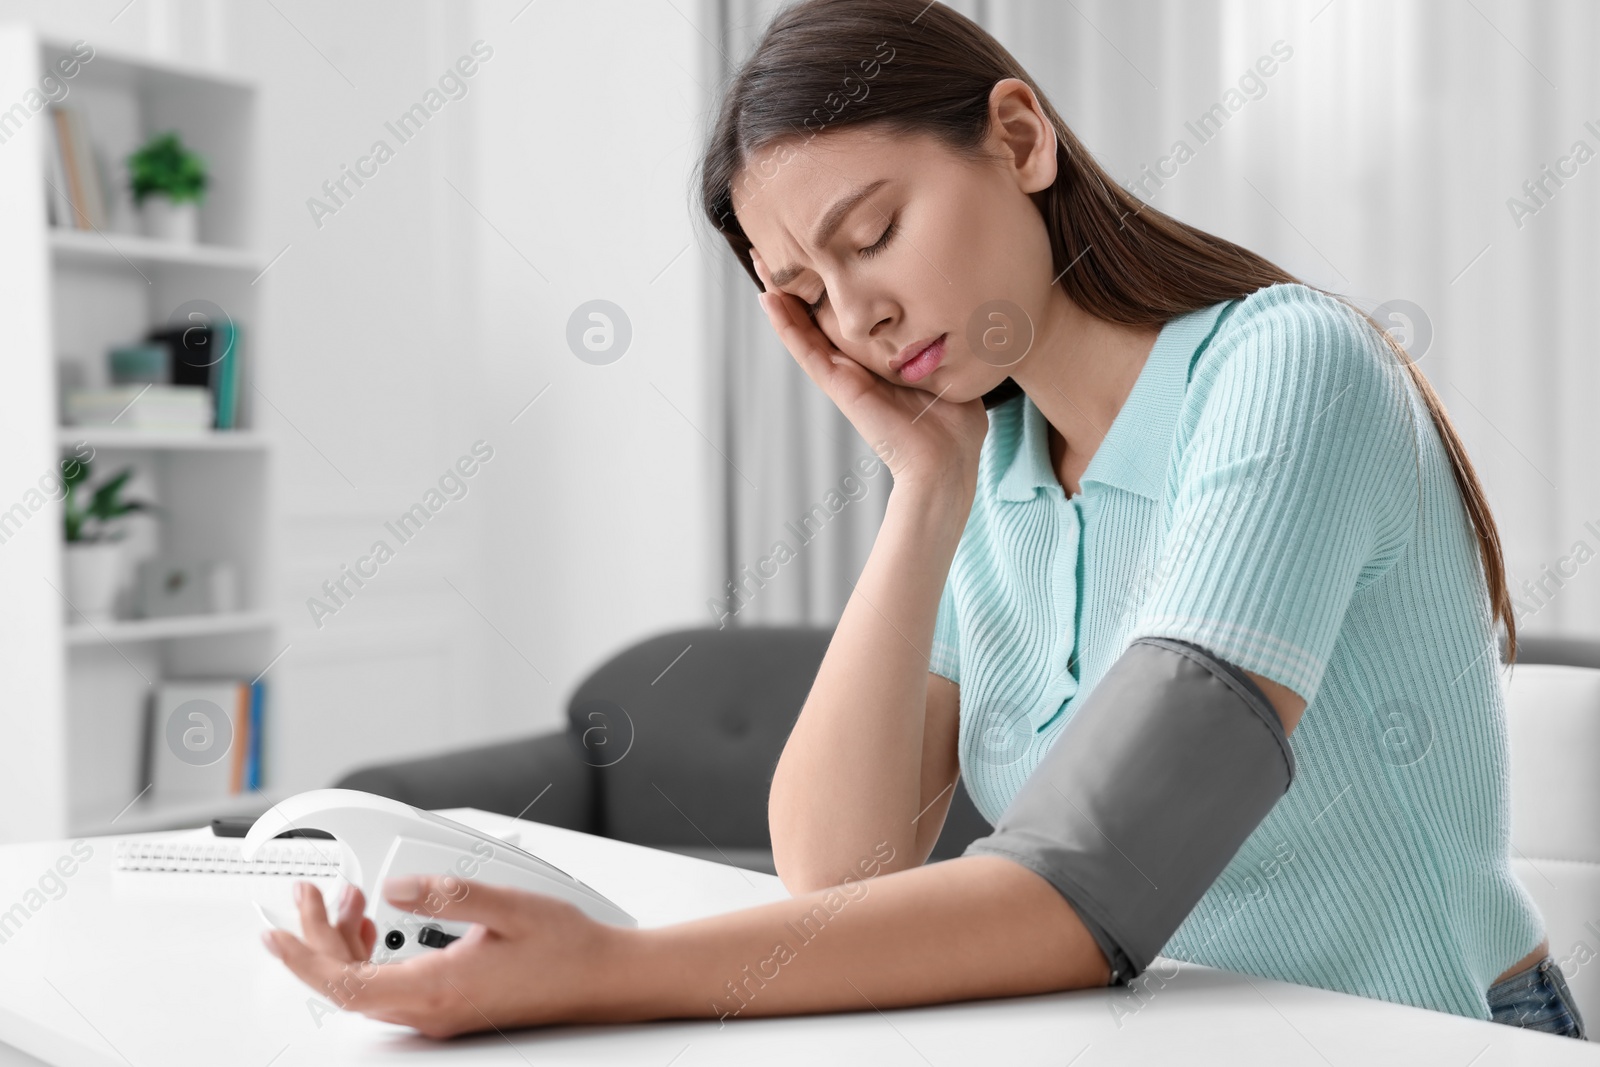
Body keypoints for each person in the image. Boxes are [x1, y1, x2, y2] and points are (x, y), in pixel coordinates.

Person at [260, 0, 1587, 1042]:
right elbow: (836, 873)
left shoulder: (1286, 368)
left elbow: (1098, 880)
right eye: (808, 293)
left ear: (1019, 139)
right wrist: (928, 490)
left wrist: (613, 974)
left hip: (1424, 1039)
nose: (860, 317)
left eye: (874, 232)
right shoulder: (998, 465)